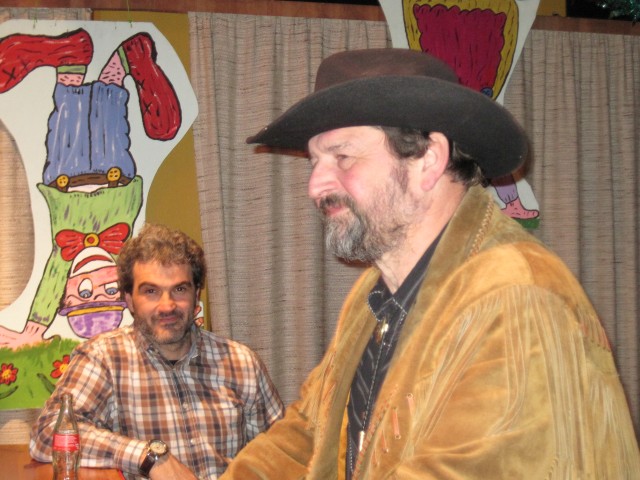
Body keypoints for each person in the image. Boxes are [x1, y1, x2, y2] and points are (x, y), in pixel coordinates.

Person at [220, 49, 640, 479]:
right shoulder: (374, 295)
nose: (315, 186)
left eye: (342, 157)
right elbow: (310, 431)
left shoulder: (515, 295)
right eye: (315, 162)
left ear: (428, 159)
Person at [30, 223, 285, 479]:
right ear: (129, 300)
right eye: (151, 291)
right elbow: (47, 434)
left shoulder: (241, 362)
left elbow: (284, 452)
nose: (167, 306)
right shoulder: (103, 359)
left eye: (179, 289)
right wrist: (148, 457)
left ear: (197, 294)